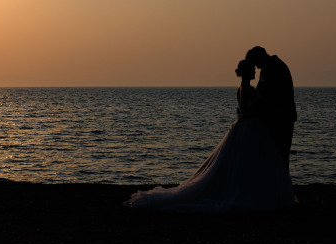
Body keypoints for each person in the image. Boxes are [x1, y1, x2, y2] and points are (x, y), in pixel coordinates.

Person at [124, 59, 295, 213]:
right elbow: (259, 105)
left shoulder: (240, 88)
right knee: (250, 163)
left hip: (244, 128)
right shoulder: (249, 89)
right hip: (251, 129)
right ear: (247, 72)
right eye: (252, 70)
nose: (255, 72)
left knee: (242, 163)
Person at [244, 46, 297, 172]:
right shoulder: (270, 67)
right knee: (276, 154)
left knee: (280, 153)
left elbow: (267, 95)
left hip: (281, 117)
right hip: (276, 117)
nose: (256, 67)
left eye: (256, 63)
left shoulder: (274, 68)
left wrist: (249, 106)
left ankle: (282, 186)